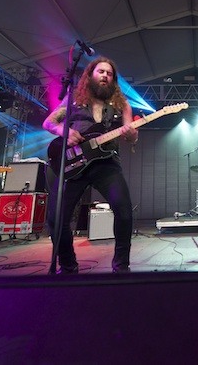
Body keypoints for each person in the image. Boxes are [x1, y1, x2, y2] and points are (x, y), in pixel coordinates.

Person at [43, 56, 137, 274]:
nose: (105, 76)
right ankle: (68, 266)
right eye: (100, 72)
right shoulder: (74, 101)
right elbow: (49, 123)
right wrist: (64, 132)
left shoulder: (122, 106)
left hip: (106, 163)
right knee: (56, 218)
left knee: (124, 212)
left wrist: (132, 135)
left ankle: (121, 266)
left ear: (113, 80)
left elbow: (131, 137)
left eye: (109, 73)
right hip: (73, 165)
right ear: (90, 75)